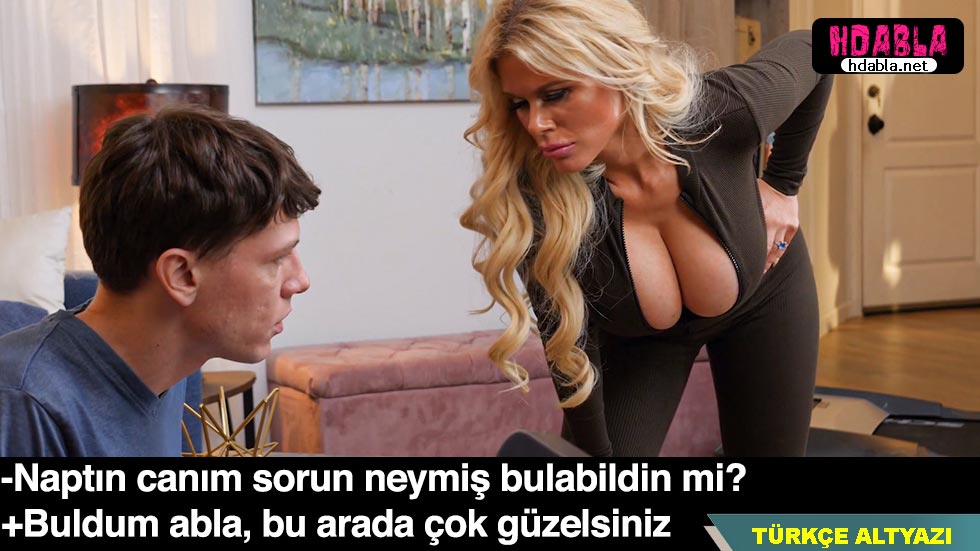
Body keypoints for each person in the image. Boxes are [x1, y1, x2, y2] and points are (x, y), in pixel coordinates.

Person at [460, 0, 833, 456]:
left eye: (555, 94)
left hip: (764, 295)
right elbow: (572, 359)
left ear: (616, 67)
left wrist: (783, 185)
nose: (536, 124)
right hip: (639, 343)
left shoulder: (724, 112)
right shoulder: (540, 201)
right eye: (520, 103)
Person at [0, 104, 320, 456]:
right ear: (181, 275)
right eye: (276, 259)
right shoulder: (24, 409)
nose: (300, 281)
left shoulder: (167, 367)